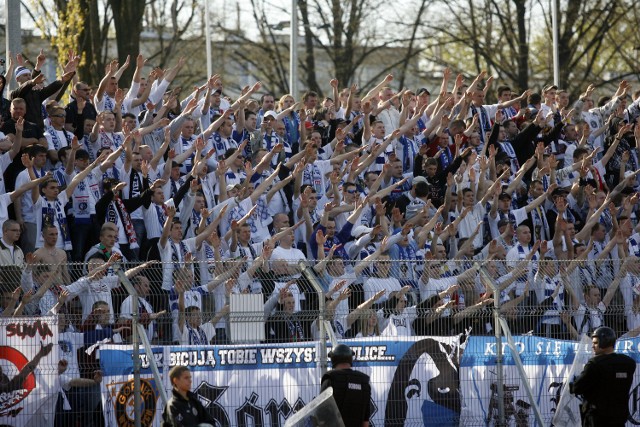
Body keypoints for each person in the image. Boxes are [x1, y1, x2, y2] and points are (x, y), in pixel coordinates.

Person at [570, 326, 636, 427]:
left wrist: (571, 384)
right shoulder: (628, 363)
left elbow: (577, 388)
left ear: (604, 342)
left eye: (595, 343)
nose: (593, 346)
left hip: (597, 419)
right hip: (618, 419)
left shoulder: (595, 364)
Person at [320, 343, 371, 427]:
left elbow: (322, 416)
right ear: (350, 359)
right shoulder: (364, 382)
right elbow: (365, 422)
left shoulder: (330, 379)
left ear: (333, 359)